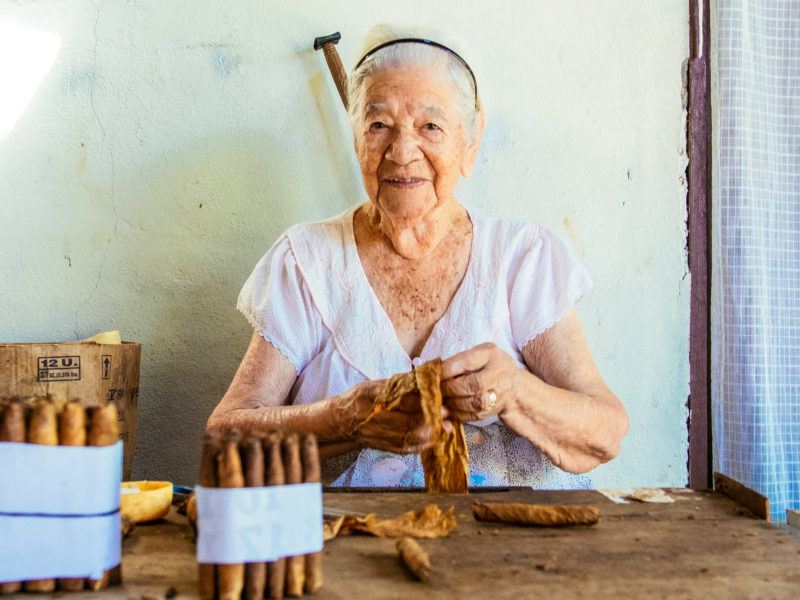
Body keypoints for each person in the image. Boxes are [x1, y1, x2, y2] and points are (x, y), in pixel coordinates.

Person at [207, 25, 629, 488]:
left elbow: (605, 432)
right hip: (341, 547)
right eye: (379, 125)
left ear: (470, 142)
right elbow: (226, 434)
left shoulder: (522, 259)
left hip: (507, 550)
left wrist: (515, 393)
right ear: (357, 142)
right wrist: (345, 417)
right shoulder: (306, 262)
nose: (402, 151)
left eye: (430, 126)